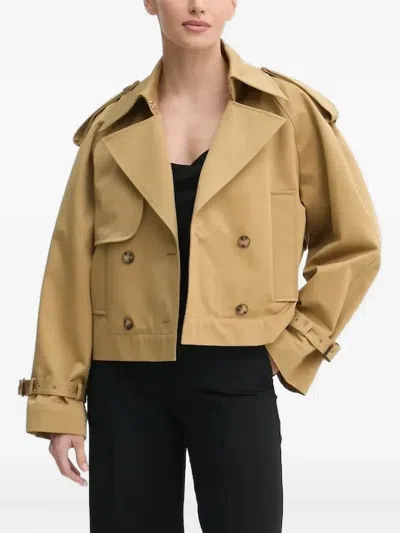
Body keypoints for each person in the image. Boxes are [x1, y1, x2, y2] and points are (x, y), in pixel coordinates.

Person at [17, 1, 381, 532]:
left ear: (233, 3)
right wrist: (59, 404)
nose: (196, 5)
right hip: (124, 379)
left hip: (237, 368)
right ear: (149, 2)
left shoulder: (288, 114)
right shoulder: (110, 128)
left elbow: (354, 243)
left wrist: (290, 346)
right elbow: (69, 269)